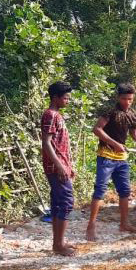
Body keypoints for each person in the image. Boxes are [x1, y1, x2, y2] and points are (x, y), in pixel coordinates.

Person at [85, 83, 136, 241]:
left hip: (121, 160)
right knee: (100, 190)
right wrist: (115, 144)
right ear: (118, 98)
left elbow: (134, 134)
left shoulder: (132, 114)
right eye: (124, 99)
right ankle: (91, 226)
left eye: (130, 99)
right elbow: (97, 129)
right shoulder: (110, 112)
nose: (127, 102)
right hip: (106, 156)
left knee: (125, 191)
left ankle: (124, 223)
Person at [41, 81, 76, 257]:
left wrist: (68, 166)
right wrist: (60, 166)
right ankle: (59, 244)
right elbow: (46, 143)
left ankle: (57, 243)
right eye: (66, 98)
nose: (68, 101)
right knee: (66, 202)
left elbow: (61, 145)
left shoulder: (56, 115)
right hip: (55, 167)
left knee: (57, 203)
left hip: (61, 166)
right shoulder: (50, 115)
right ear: (56, 97)